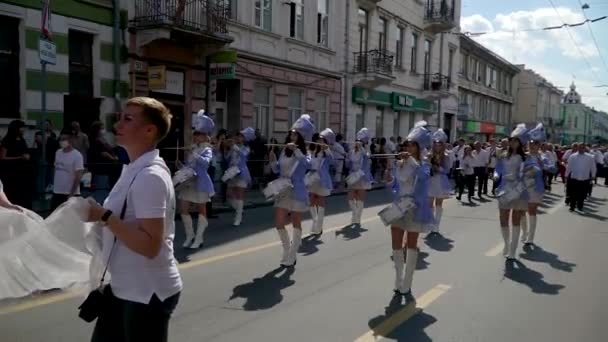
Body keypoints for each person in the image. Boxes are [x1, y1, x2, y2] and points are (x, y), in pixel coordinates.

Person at [85, 97, 182, 341]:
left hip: (146, 291)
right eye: (120, 117)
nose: (118, 124)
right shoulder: (132, 169)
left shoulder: (150, 176)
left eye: (128, 119)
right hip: (122, 287)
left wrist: (105, 216)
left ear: (149, 131)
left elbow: (150, 245)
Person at [384, 120, 432, 298]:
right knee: (396, 244)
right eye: (407, 144)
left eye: (412, 145)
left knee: (411, 245)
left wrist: (410, 160)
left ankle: (408, 282)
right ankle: (398, 278)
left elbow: (422, 178)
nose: (409, 147)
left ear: (419, 147)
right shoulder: (401, 163)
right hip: (399, 206)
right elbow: (397, 186)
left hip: (415, 207)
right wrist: (389, 179)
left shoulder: (424, 164)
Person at [268, 114, 313, 267]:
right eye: (291, 134)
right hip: (283, 189)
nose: (292, 136)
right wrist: (272, 160)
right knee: (279, 223)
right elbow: (277, 170)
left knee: (296, 222)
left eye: (295, 134)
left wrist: (297, 151)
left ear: (300, 138)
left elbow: (308, 165)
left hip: (298, 190)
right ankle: (286, 250)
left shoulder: (305, 152)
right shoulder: (284, 151)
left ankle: (293, 255)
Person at [178, 110, 215, 249]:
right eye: (195, 134)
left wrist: (195, 155)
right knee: (183, 209)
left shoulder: (208, 149)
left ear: (205, 136)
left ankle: (199, 238)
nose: (195, 137)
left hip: (201, 182)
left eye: (198, 135)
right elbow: (189, 166)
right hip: (189, 181)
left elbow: (205, 164)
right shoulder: (193, 148)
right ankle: (190, 236)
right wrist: (181, 165)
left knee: (201, 209)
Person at [494, 124, 529, 260]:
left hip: (519, 190)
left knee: (515, 219)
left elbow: (528, 174)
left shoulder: (525, 157)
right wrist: (496, 175)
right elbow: (497, 169)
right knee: (503, 219)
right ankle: (506, 244)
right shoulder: (502, 155)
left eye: (516, 140)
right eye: (511, 139)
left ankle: (513, 250)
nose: (513, 142)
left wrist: (519, 177)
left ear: (520, 143)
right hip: (504, 189)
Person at [520, 124, 547, 246]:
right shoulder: (524, 156)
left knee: (532, 211)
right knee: (521, 211)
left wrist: (542, 165)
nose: (532, 146)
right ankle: (524, 232)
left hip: (536, 187)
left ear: (539, 145)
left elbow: (552, 168)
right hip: (523, 186)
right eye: (531, 144)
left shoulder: (543, 156)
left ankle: (530, 237)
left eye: (535, 144)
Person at [224, 127, 255, 226]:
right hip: (231, 172)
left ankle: (238, 218)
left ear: (245, 139)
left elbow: (243, 155)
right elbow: (227, 158)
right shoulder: (233, 147)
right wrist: (226, 147)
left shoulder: (246, 148)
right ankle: (239, 210)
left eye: (241, 136)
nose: (238, 138)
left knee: (239, 195)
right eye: (238, 136)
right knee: (228, 195)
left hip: (242, 172)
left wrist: (234, 146)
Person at [307, 128, 335, 236]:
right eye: (318, 140)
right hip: (312, 178)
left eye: (322, 140)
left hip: (322, 179)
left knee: (321, 203)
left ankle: (319, 227)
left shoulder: (326, 153)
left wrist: (327, 149)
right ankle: (315, 222)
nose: (320, 142)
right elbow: (306, 164)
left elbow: (332, 161)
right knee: (312, 202)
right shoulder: (311, 152)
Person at [0, 119, 33, 209]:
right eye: (21, 127)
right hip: (11, 173)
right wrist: (19, 158)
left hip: (22, 172)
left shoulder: (22, 139)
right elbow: (2, 157)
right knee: (13, 194)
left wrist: (27, 156)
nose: (23, 129)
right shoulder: (7, 140)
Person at [51, 128, 85, 211]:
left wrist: (71, 194)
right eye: (61, 139)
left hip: (69, 193)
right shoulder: (58, 153)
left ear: (70, 140)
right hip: (57, 191)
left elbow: (78, 176)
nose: (62, 141)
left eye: (64, 139)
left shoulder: (77, 156)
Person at [346, 128, 373, 227]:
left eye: (361, 141)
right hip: (353, 176)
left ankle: (357, 219)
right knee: (350, 198)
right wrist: (347, 159)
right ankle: (355, 214)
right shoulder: (351, 151)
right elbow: (348, 165)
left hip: (362, 176)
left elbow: (367, 157)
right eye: (357, 141)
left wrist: (362, 148)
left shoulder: (366, 150)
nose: (358, 143)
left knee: (360, 198)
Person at [427, 129, 451, 235]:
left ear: (443, 145)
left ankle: (436, 225)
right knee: (429, 204)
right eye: (436, 144)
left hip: (440, 181)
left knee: (439, 204)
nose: (437, 146)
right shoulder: (428, 155)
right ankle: (431, 223)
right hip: (430, 181)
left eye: (439, 144)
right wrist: (429, 167)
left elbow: (448, 170)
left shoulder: (446, 156)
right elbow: (424, 168)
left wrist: (439, 168)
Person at [88, 121, 119, 204]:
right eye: (101, 128)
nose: (103, 130)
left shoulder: (102, 139)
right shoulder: (96, 141)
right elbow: (103, 153)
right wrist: (113, 158)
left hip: (108, 169)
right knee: (101, 190)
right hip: (101, 169)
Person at [566, 144, 596, 212]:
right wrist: (566, 175)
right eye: (580, 148)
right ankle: (572, 206)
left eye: (583, 148)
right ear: (578, 148)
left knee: (582, 193)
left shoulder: (590, 157)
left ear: (585, 148)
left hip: (585, 178)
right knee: (573, 193)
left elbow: (593, 167)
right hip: (574, 177)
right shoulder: (573, 156)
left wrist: (593, 175)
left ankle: (580, 206)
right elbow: (569, 166)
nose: (581, 149)